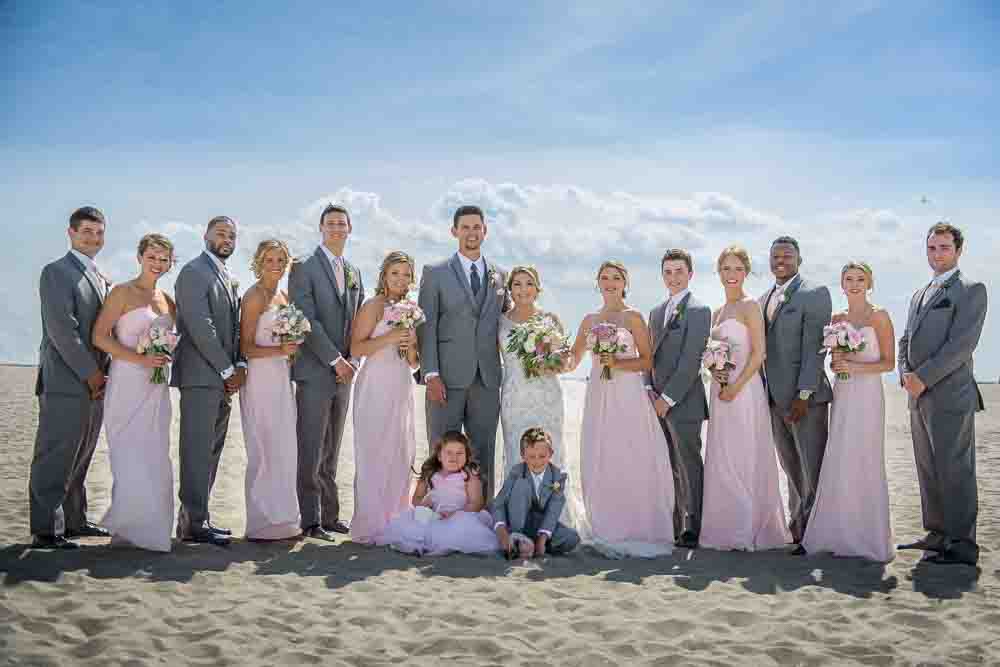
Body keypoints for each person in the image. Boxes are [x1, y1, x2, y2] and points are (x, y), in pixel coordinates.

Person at [564, 260, 675, 558]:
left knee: (631, 453)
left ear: (625, 283)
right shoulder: (588, 320)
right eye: (604, 278)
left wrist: (618, 363)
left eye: (616, 278)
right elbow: (573, 360)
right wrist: (546, 354)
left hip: (627, 395)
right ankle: (606, 523)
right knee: (602, 452)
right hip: (599, 394)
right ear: (597, 283)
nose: (610, 282)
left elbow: (648, 361)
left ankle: (637, 522)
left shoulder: (634, 318)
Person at [897, 222, 987, 566]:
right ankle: (936, 534)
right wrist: (906, 374)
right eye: (932, 248)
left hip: (950, 395)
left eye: (944, 248)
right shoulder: (920, 293)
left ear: (959, 251)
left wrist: (924, 377)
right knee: (928, 468)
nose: (937, 254)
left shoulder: (971, 289)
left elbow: (961, 346)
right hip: (917, 395)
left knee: (955, 470)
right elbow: (906, 338)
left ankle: (962, 544)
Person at [29, 206, 112, 549]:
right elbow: (63, 331)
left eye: (98, 232)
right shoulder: (56, 272)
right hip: (67, 381)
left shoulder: (98, 275)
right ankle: (47, 529)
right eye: (86, 231)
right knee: (55, 454)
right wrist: (91, 373)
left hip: (96, 384)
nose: (93, 238)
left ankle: (75, 521)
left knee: (81, 455)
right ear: (71, 233)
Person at [801, 262, 894, 561]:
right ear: (842, 284)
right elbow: (833, 362)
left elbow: (888, 363)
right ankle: (837, 532)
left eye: (860, 279)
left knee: (864, 456)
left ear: (870, 283)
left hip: (867, 396)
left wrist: (853, 366)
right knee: (840, 456)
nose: (854, 284)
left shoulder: (878, 316)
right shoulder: (837, 319)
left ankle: (867, 536)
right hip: (843, 394)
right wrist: (838, 361)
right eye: (849, 279)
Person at [92, 233, 177, 552]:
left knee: (155, 453)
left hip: (156, 386)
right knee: (128, 453)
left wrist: (164, 356)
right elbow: (100, 337)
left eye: (164, 259)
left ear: (170, 263)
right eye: (152, 256)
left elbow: (170, 338)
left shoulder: (167, 300)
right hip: (127, 382)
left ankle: (152, 529)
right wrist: (140, 358)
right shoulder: (122, 292)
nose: (157, 263)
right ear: (140, 257)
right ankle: (128, 528)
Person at [701, 246, 789, 551]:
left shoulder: (751, 306)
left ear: (746, 272)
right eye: (726, 269)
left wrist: (736, 386)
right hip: (720, 390)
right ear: (719, 272)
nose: (731, 275)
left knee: (743, 452)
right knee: (722, 455)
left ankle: (746, 525)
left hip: (745, 389)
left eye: (737, 269)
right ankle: (724, 527)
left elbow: (758, 353)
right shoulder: (717, 313)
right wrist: (716, 375)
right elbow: (712, 356)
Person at [418, 205, 505, 499]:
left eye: (476, 227)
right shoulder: (435, 273)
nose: (471, 233)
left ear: (485, 231)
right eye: (465, 227)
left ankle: (482, 513)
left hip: (487, 378)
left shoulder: (500, 276)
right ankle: (436, 508)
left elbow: (507, 323)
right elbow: (425, 326)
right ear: (454, 231)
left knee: (483, 449)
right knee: (441, 448)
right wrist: (430, 373)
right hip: (446, 377)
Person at [289, 204, 365, 539]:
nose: (336, 228)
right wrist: (335, 359)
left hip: (345, 371)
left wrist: (354, 359)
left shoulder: (353, 271)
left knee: (332, 448)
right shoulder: (303, 267)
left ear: (349, 229)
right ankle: (310, 519)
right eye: (330, 223)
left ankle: (331, 514)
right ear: (321, 228)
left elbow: (357, 319)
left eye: (341, 224)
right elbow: (306, 319)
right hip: (316, 369)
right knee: (310, 446)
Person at [172, 215, 244, 546]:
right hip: (201, 377)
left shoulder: (226, 275)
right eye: (220, 233)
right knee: (197, 450)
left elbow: (233, 328)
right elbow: (201, 327)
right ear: (205, 236)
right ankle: (191, 523)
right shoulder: (194, 272)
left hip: (221, 380)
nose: (226, 239)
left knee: (211, 451)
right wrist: (227, 369)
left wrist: (239, 363)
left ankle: (200, 518)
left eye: (231, 235)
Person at [761, 236, 833, 543]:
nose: (781, 261)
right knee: (790, 468)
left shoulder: (814, 293)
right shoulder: (764, 297)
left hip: (806, 400)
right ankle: (798, 526)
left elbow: (814, 348)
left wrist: (804, 395)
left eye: (788, 256)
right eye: (776, 256)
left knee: (811, 468)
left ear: (799, 260)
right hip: (773, 399)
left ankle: (816, 531)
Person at [349, 251, 420, 544]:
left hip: (401, 384)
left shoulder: (411, 310)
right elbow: (356, 348)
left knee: (400, 452)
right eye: (395, 273)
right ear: (384, 276)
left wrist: (410, 344)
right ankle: (370, 524)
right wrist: (390, 338)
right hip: (375, 384)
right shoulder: (372, 306)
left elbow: (414, 363)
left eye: (406, 274)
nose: (400, 280)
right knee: (373, 451)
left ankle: (395, 519)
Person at [645, 249, 711, 549]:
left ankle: (693, 525)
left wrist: (667, 399)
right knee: (667, 464)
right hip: (655, 402)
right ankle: (673, 523)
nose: (673, 277)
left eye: (679, 271)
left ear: (690, 274)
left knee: (688, 464)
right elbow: (649, 357)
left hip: (684, 403)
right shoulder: (656, 312)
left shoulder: (699, 311)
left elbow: (691, 361)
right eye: (668, 272)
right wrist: (649, 391)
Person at [238, 239, 302, 541]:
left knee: (283, 446)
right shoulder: (253, 297)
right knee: (263, 446)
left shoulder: (283, 295)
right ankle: (262, 521)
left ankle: (284, 518)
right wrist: (280, 351)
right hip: (260, 378)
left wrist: (290, 350)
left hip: (280, 377)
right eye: (270, 260)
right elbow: (246, 348)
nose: (276, 265)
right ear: (259, 262)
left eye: (280, 260)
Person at [377, 431, 499, 556]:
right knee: (412, 522)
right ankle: (414, 546)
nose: (454, 457)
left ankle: (441, 546)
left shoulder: (468, 474)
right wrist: (425, 504)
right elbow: (416, 499)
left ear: (467, 456)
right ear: (439, 456)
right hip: (435, 516)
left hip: (463, 514)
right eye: (449, 453)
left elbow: (477, 503)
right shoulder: (431, 473)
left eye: (459, 453)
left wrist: (455, 513)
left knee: (459, 527)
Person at [498, 266, 567, 475]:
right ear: (510, 289)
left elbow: (564, 361)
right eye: (517, 284)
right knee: (516, 447)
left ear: (537, 289)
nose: (523, 289)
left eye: (529, 284)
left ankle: (554, 502)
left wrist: (546, 364)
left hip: (547, 395)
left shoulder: (550, 319)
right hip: (514, 396)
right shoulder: (500, 321)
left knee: (550, 447)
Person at [492, 427, 579, 558]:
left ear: (551, 454)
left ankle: (535, 544)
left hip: (538, 526)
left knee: (572, 538)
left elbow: (553, 510)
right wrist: (502, 531)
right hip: (517, 521)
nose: (537, 461)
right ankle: (517, 538)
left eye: (542, 456)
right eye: (531, 456)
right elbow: (498, 503)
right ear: (523, 456)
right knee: (522, 485)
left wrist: (543, 537)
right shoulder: (517, 471)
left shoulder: (558, 476)